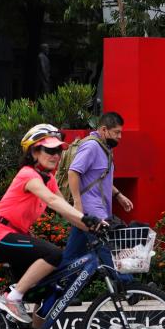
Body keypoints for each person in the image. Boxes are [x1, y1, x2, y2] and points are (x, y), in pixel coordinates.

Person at [0, 124, 102, 329]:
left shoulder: (48, 178)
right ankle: (11, 298)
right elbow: (53, 201)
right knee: (53, 254)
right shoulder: (28, 175)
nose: (55, 155)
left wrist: (96, 223)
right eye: (49, 150)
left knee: (48, 291)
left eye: (58, 151)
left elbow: (67, 211)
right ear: (34, 152)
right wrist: (85, 219)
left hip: (14, 236)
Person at [62, 112, 133, 267]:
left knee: (70, 256)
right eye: (116, 132)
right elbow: (73, 172)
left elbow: (99, 178)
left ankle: (55, 287)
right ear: (103, 130)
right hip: (92, 211)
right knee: (111, 253)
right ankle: (128, 288)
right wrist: (77, 204)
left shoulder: (105, 148)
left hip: (94, 211)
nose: (120, 136)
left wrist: (118, 195)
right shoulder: (91, 146)